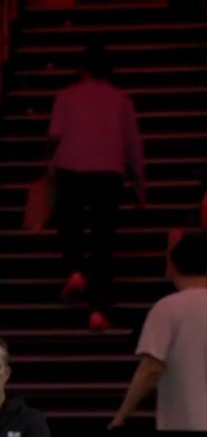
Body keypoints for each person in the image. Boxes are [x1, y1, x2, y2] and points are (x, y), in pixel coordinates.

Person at [49, 44, 145, 331]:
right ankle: (99, 310)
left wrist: (46, 169)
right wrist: (140, 183)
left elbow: (55, 135)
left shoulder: (65, 96)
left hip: (70, 167)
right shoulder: (122, 100)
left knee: (71, 225)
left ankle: (75, 270)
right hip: (109, 172)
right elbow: (133, 143)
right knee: (103, 240)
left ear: (83, 68)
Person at [109, 234, 207, 437]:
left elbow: (151, 369)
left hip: (185, 426)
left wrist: (120, 418)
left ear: (173, 266)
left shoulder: (166, 308)